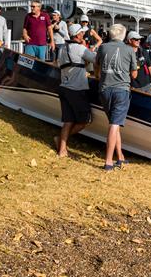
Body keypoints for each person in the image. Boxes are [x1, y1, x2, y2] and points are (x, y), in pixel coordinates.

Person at [94, 24, 138, 171]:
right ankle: (108, 161)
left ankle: (120, 157)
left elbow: (96, 67)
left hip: (104, 89)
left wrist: (98, 76)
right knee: (114, 125)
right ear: (124, 36)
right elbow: (134, 74)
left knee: (115, 123)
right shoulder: (129, 50)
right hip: (121, 90)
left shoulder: (103, 47)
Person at [55, 24, 97, 158]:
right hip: (76, 89)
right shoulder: (79, 48)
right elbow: (96, 59)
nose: (83, 35)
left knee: (68, 120)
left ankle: (62, 149)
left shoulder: (62, 48)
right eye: (82, 33)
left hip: (63, 87)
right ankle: (60, 140)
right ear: (77, 35)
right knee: (85, 120)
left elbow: (59, 64)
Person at [128, 31, 151, 95]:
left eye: (139, 39)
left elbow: (150, 68)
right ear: (130, 40)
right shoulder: (125, 53)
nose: (139, 41)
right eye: (136, 39)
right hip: (133, 87)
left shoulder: (143, 52)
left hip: (147, 85)